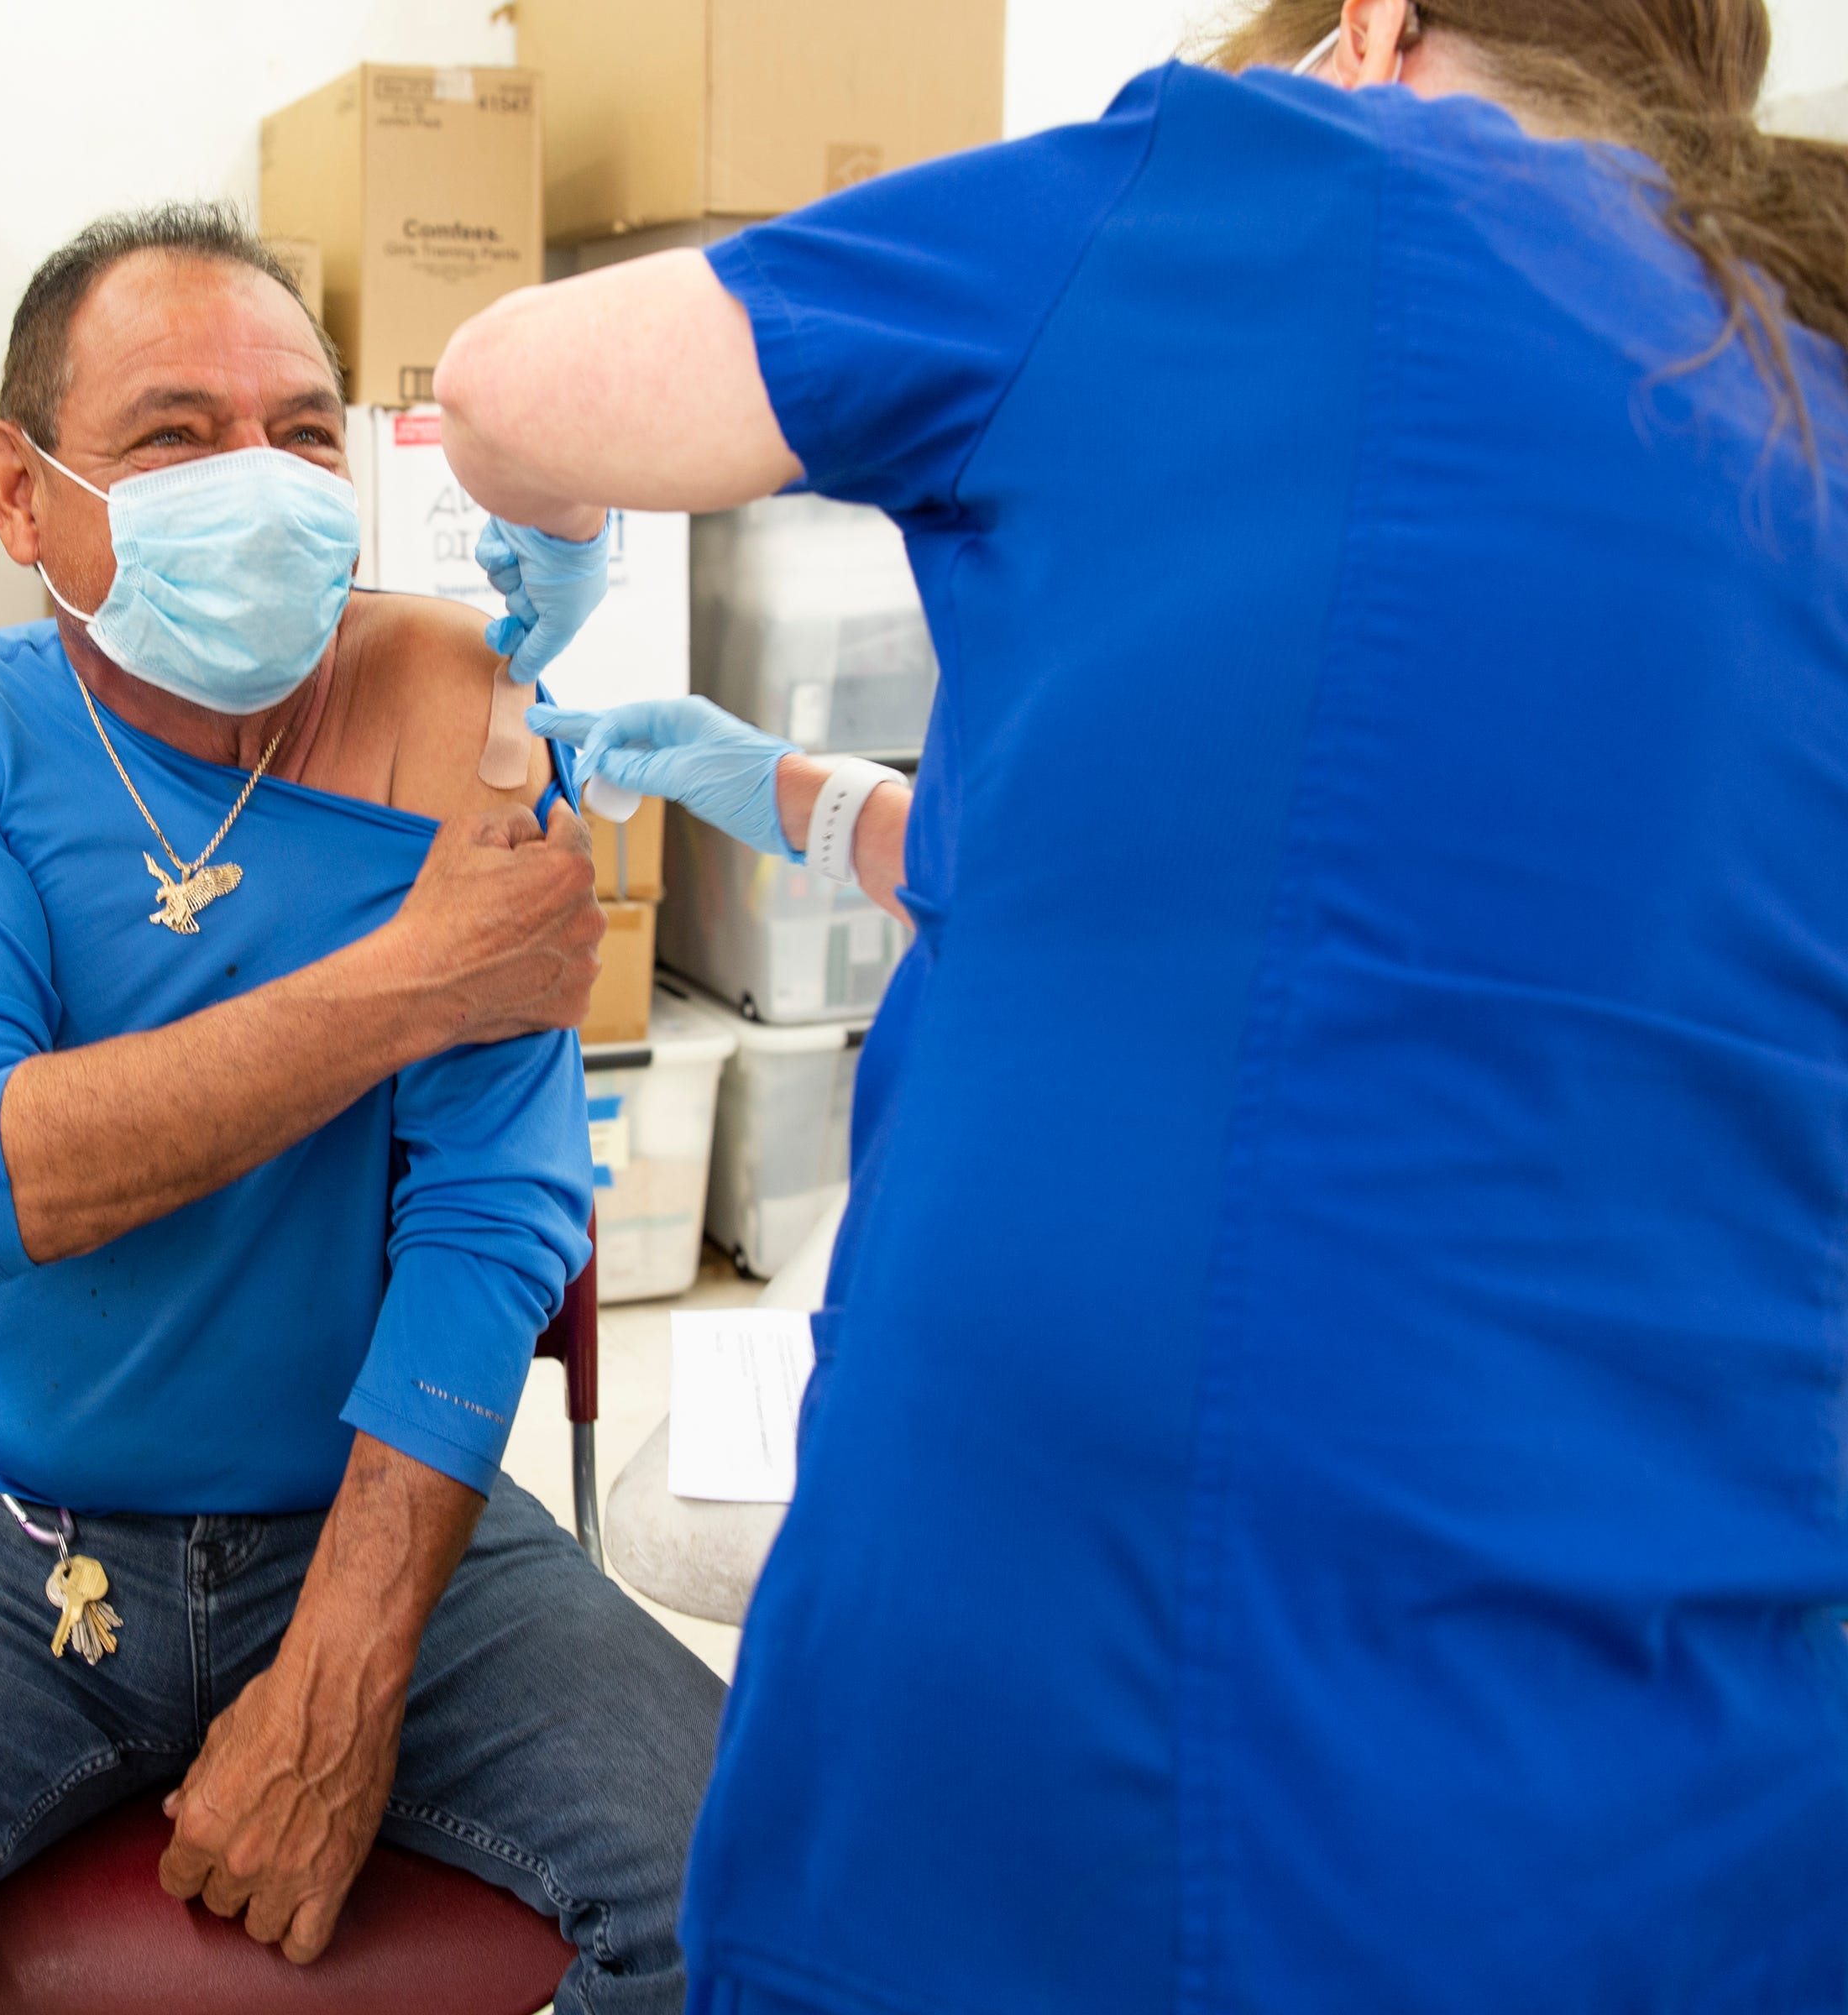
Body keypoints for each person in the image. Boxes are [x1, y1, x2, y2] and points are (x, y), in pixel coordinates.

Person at [435, 0, 1848, 2008]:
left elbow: (513, 385)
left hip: (1129, 1755)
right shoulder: (1787, 369)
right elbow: (1288, 874)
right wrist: (778, 782)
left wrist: (549, 536)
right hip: (1682, 1817)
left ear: (1370, 21)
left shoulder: (1268, 187)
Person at [0, 205, 725, 2015]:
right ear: (18, 489)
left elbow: (490, 1216)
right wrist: (420, 974)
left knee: (784, 1902)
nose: (266, 484)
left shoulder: (458, 707)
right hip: (0, 1521)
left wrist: (351, 1664)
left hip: (378, 1504)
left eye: (304, 433)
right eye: (176, 434)